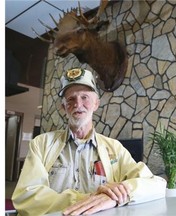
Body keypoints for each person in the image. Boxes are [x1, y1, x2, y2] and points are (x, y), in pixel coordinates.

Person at [12, 68, 167, 216]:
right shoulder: (41, 144)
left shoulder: (115, 148)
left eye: (84, 97)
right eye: (71, 99)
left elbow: (157, 184)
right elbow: (26, 195)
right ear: (63, 107)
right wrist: (86, 200)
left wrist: (123, 192)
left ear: (96, 104)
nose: (78, 104)